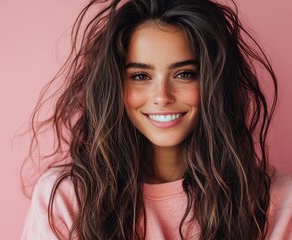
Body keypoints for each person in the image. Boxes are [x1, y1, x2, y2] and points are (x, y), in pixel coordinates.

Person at [21, 0, 292, 239]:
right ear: (115, 86)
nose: (162, 96)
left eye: (184, 74)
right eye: (140, 76)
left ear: (214, 83)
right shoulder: (67, 200)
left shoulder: (277, 203)